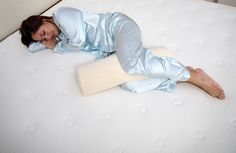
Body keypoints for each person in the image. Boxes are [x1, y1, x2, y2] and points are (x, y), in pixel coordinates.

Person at [20, 7, 225, 99]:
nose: (47, 38)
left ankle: (194, 76)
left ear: (44, 19)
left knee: (133, 65)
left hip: (118, 27)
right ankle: (181, 76)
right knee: (130, 84)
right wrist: (34, 41)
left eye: (44, 33)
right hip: (110, 47)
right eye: (43, 38)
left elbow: (80, 41)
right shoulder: (59, 34)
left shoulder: (63, 16)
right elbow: (31, 46)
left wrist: (56, 47)